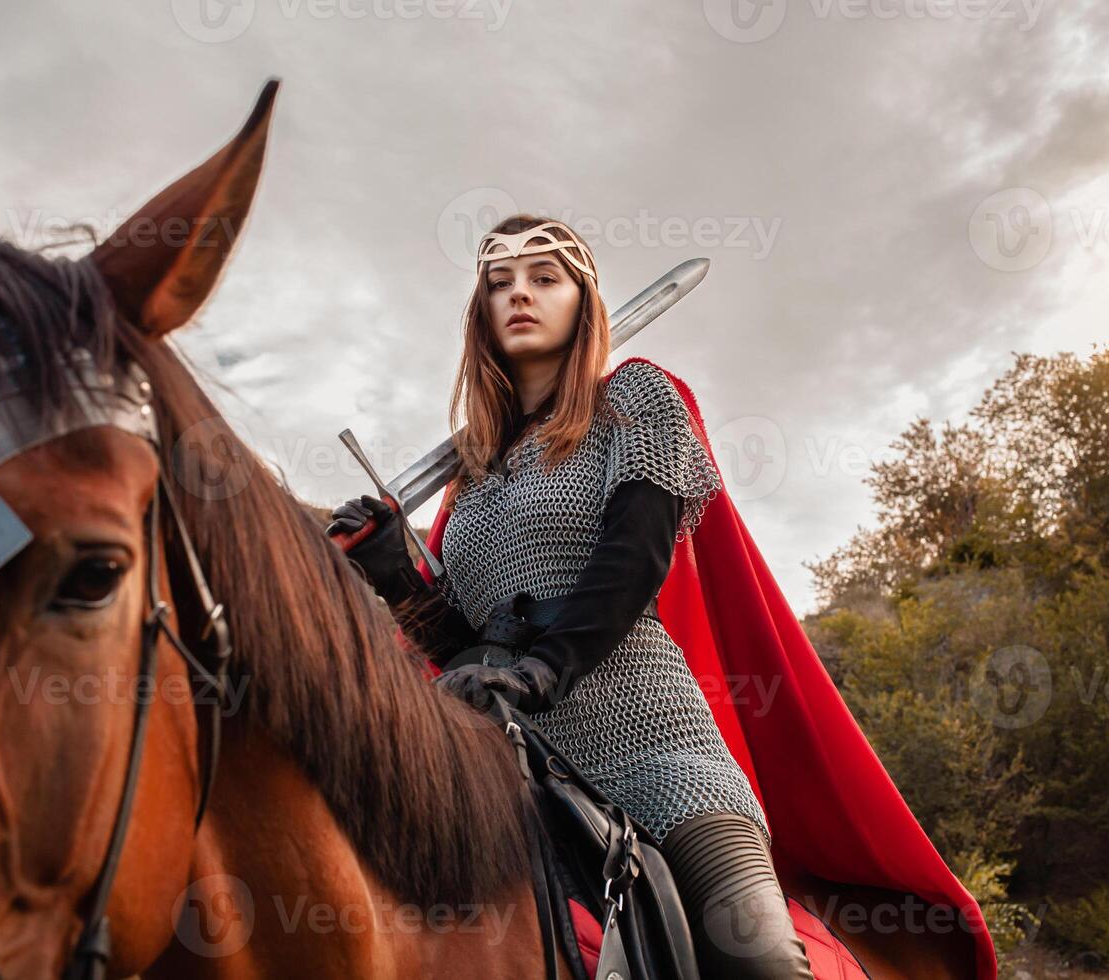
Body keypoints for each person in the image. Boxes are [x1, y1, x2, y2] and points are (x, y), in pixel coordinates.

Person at [329, 215, 817, 978]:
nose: (519, 293)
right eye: (500, 282)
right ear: (481, 313)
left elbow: (634, 560)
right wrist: (395, 572)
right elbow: (465, 647)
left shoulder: (637, 400)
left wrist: (545, 669)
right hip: (508, 769)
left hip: (654, 743)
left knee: (758, 963)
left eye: (544, 277)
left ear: (583, 300)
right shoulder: (474, 477)